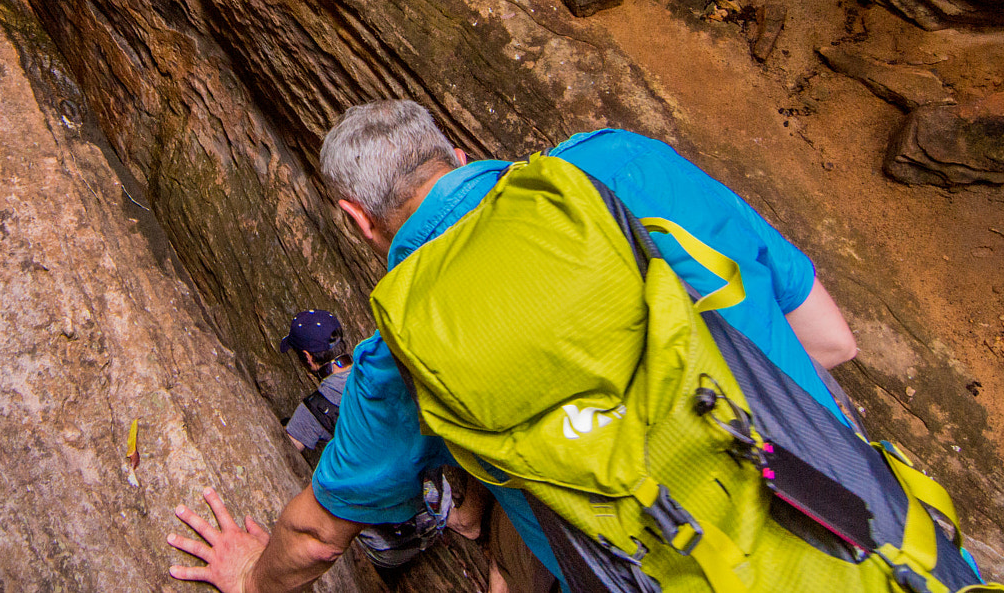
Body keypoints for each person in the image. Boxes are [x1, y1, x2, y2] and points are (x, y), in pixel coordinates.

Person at [168, 100, 859, 593]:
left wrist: (249, 578)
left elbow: (320, 534)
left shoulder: (406, 349)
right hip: (853, 512)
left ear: (357, 219)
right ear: (459, 158)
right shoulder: (621, 160)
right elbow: (832, 341)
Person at [277, 309, 454, 572]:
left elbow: (284, 452)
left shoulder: (317, 407)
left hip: (388, 549)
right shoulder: (379, 370)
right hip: (439, 512)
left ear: (307, 358)